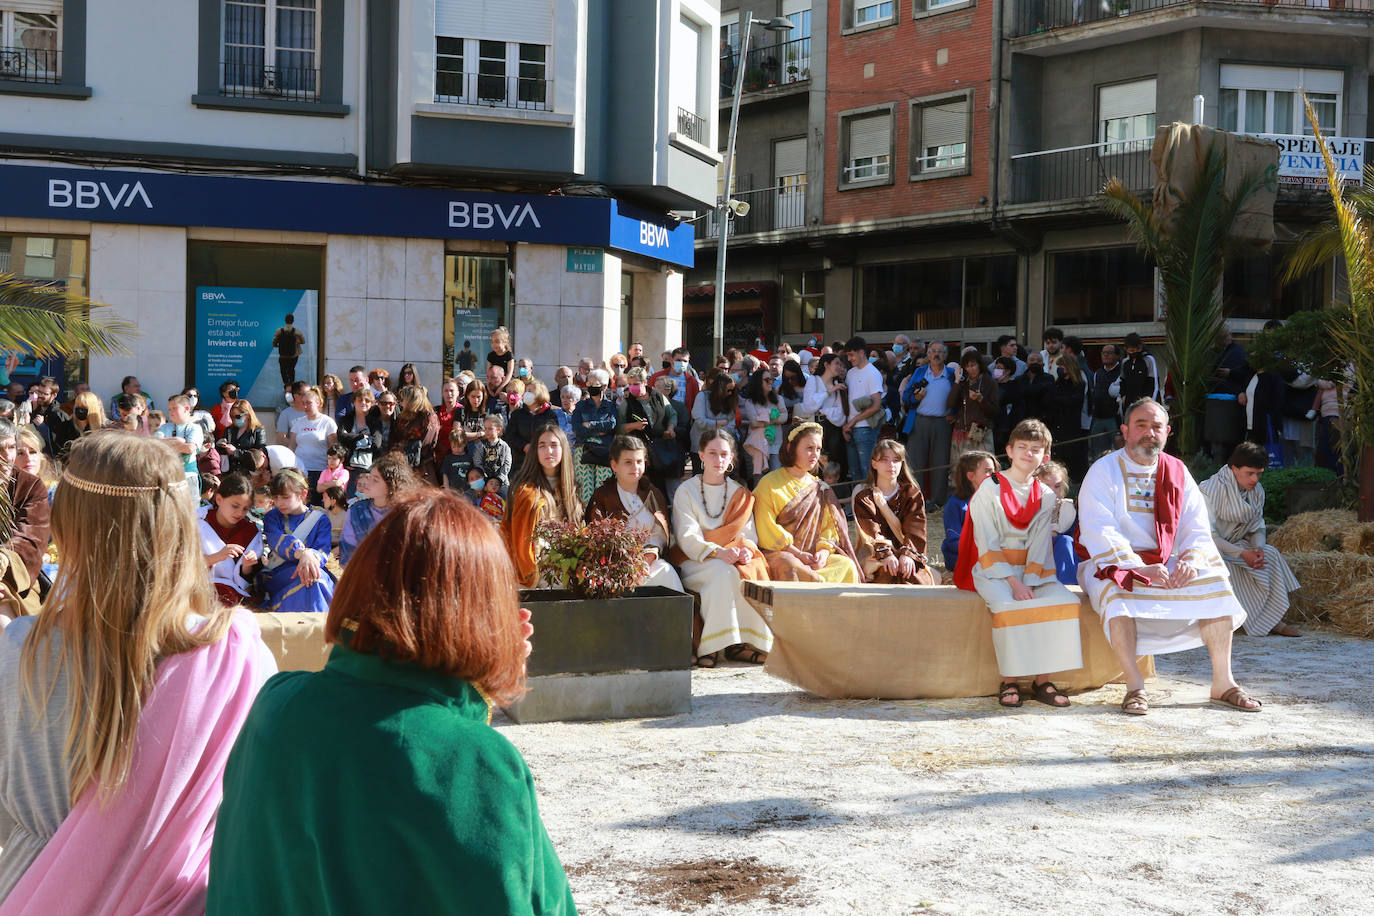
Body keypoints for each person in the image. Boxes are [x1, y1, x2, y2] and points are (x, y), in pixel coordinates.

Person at [206, 489, 574, 915]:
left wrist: (471, 690)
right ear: (479, 615)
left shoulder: (274, 706)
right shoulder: (478, 763)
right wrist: (479, 686)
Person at [0, 432, 275, 912]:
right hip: (178, 898)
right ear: (178, 524)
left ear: (65, 529)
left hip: (38, 892)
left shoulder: (20, 646)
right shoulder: (232, 655)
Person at [1078, 398, 1257, 715]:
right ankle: (1135, 686)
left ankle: (1223, 682)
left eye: (1156, 426)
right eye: (1141, 425)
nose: (1149, 433)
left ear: (1167, 432)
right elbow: (1099, 528)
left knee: (1216, 582)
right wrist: (1136, 566)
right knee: (1116, 596)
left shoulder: (1178, 471)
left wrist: (1190, 560)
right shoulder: (1103, 470)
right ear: (1125, 430)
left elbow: (1196, 524)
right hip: (1112, 561)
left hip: (1168, 560)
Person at [955, 420, 1083, 709]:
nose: (1028, 453)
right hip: (994, 570)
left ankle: (1042, 680)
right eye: (1022, 447)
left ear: (1044, 457)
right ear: (1009, 451)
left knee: (1063, 602)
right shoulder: (990, 488)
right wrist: (1014, 583)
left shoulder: (1046, 495)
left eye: (1035, 449)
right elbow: (985, 540)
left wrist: (1030, 581)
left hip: (1032, 571)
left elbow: (1040, 543)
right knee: (1011, 606)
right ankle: (1010, 680)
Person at [671, 429, 772, 668]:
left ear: (732, 458)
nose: (718, 460)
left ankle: (743, 644)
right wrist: (719, 552)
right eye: (712, 453)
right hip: (694, 559)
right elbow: (687, 537)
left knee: (748, 568)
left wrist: (745, 550)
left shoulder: (740, 493)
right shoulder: (686, 491)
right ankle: (714, 646)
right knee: (723, 572)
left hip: (730, 558)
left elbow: (748, 536)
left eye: (724, 454)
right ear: (701, 456)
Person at [1198, 442, 1302, 638]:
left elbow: (1257, 527)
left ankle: (1273, 619)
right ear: (1234, 468)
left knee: (1270, 554)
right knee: (1222, 564)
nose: (1255, 479)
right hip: (1210, 548)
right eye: (1250, 473)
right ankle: (1265, 623)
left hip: (1238, 545)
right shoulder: (1208, 490)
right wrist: (1242, 553)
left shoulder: (1257, 491)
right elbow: (1206, 534)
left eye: (1259, 473)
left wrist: (1258, 549)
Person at [753, 423, 860, 583]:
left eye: (818, 449)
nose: (815, 454)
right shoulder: (768, 483)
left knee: (846, 565)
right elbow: (764, 527)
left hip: (813, 557)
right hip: (781, 554)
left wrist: (823, 553)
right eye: (809, 448)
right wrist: (797, 553)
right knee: (790, 565)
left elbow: (829, 528)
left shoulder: (820, 487)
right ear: (791, 447)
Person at [587, 436, 683, 591]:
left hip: (650, 563)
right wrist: (625, 563)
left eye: (639, 461)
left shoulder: (653, 493)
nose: (635, 467)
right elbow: (597, 537)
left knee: (667, 573)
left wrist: (649, 555)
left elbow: (660, 534)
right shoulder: (602, 496)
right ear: (614, 465)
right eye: (628, 462)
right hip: (615, 566)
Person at [500, 426, 584, 588]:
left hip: (567, 574)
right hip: (535, 578)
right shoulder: (525, 492)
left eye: (553, 445)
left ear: (563, 449)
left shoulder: (571, 491)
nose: (548, 451)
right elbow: (517, 540)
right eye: (542, 445)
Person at [852, 439, 934, 585]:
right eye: (885, 460)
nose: (891, 465)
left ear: (902, 464)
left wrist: (907, 554)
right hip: (875, 554)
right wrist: (886, 554)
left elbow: (916, 529)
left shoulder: (911, 493)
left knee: (911, 576)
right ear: (874, 464)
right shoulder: (864, 497)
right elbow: (870, 532)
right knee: (886, 573)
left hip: (906, 552)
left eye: (896, 460)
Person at [261, 469, 335, 612]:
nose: (279, 502)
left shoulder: (320, 519)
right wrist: (302, 553)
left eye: (285, 497)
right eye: (275, 497)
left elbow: (323, 550)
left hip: (314, 568)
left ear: (303, 494)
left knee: (315, 578)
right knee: (311, 578)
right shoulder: (272, 517)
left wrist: (309, 557)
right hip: (281, 573)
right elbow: (277, 540)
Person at [0, 420, 50, 617]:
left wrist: (4, 559)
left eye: (11, 447)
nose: (6, 456)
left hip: (14, 576)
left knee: (6, 622)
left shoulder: (30, 486)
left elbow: (30, 534)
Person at [902, 341, 956, 507]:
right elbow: (906, 397)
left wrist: (954, 414)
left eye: (940, 351)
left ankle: (938, 502)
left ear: (945, 355)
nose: (936, 354)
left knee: (940, 463)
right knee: (915, 463)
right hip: (920, 421)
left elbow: (959, 397)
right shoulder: (919, 372)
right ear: (928, 354)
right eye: (933, 351)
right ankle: (916, 501)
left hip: (943, 423)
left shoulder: (952, 374)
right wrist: (915, 398)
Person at [339, 454, 417, 566]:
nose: (367, 482)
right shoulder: (356, 510)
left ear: (391, 485)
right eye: (369, 477)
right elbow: (347, 552)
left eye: (375, 480)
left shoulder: (406, 514)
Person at [199, 473, 263, 607]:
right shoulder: (198, 522)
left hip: (231, 594)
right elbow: (182, 565)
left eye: (245, 509)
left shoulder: (250, 533)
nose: (240, 513)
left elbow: (245, 582)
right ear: (219, 499)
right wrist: (217, 556)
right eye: (235, 506)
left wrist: (247, 566)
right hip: (197, 589)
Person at [616, 366, 679, 494]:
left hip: (660, 449)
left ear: (645, 382)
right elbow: (618, 428)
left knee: (661, 489)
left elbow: (672, 414)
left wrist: (670, 429)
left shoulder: (659, 398)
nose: (632, 387)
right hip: (638, 450)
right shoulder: (626, 404)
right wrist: (634, 426)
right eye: (630, 384)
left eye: (636, 384)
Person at [941, 450, 997, 572]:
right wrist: (982, 550)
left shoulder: (996, 500)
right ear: (971, 476)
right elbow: (953, 540)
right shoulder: (955, 504)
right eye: (987, 471)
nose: (993, 475)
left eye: (994, 471)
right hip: (963, 558)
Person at [948, 350, 999, 480]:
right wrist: (957, 381)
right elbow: (950, 403)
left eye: (973, 365)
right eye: (968, 366)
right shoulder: (962, 383)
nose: (971, 369)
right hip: (961, 430)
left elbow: (994, 411)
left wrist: (981, 399)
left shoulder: (989, 383)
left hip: (980, 431)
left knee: (983, 469)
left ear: (979, 365)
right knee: (959, 471)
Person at [801, 353, 850, 485]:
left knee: (835, 463)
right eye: (837, 363)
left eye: (841, 364)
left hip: (834, 428)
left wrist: (824, 410)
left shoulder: (839, 384)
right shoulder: (814, 380)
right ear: (826, 364)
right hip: (816, 427)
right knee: (817, 463)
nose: (839, 367)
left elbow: (840, 413)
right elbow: (809, 406)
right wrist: (829, 391)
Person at [571, 369, 617, 503]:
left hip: (604, 449)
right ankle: (586, 520)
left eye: (594, 383)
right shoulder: (580, 406)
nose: (590, 386)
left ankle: (601, 521)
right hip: (583, 448)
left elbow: (611, 425)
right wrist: (599, 429)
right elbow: (577, 428)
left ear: (604, 386)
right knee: (584, 490)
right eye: (588, 383)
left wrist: (590, 425)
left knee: (604, 487)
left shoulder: (611, 406)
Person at [841, 337, 885, 480]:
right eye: (847, 355)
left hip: (865, 428)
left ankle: (870, 502)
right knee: (854, 472)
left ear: (861, 353)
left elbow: (876, 405)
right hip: (851, 427)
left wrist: (852, 422)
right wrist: (847, 425)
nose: (849, 358)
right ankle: (857, 501)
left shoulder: (873, 373)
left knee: (867, 472)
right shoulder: (851, 372)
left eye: (851, 355)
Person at [1033, 460, 1081, 588]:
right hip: (1037, 549)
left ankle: (1067, 585)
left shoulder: (1067, 509)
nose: (1053, 491)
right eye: (1047, 486)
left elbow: (1074, 536)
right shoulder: (1030, 508)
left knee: (1066, 541)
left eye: (1057, 486)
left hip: (1062, 553)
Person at [287, 387, 339, 500]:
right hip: (300, 470)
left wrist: (332, 469)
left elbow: (333, 448)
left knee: (317, 504)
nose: (305, 407)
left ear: (318, 403)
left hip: (320, 470)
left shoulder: (328, 422)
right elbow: (291, 447)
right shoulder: (298, 423)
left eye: (308, 403)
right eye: (303, 403)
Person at [740, 366, 785, 480]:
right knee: (758, 480)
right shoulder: (750, 402)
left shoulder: (778, 399)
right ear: (757, 382)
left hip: (776, 445)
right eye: (767, 380)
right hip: (757, 446)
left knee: (776, 478)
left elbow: (784, 417)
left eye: (772, 379)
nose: (770, 382)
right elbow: (754, 422)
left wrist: (764, 418)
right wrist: (774, 419)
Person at [155, 394, 205, 493]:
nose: (171, 412)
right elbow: (155, 444)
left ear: (186, 409)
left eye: (174, 408)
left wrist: (166, 444)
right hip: (167, 477)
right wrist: (179, 441)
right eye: (169, 409)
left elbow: (190, 448)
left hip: (188, 476)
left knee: (190, 507)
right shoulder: (165, 427)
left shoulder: (194, 428)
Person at [390, 384, 440, 484]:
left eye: (403, 399)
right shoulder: (404, 416)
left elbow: (427, 442)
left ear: (411, 400)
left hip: (423, 466)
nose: (401, 402)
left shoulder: (428, 417)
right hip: (402, 463)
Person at [506, 379, 561, 460]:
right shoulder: (517, 414)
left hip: (543, 458)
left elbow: (553, 435)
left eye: (530, 391)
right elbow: (510, 436)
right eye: (526, 390)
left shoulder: (550, 415)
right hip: (521, 460)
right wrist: (524, 446)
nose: (526, 393)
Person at [336, 386, 376, 496]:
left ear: (371, 403)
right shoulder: (346, 419)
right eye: (360, 400)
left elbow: (377, 443)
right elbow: (341, 437)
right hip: (348, 467)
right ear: (354, 402)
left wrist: (351, 438)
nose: (363, 402)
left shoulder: (375, 421)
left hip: (369, 468)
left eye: (367, 400)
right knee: (348, 498)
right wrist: (362, 437)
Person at [1087, 344, 1123, 458]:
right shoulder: (1098, 372)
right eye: (1103, 353)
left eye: (1109, 353)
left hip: (1114, 418)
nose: (1106, 355)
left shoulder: (1122, 371)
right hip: (1098, 417)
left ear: (1117, 356)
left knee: (1117, 452)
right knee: (1098, 453)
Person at [217, 398, 268, 475]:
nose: (234, 419)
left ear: (247, 415)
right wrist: (222, 446)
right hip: (231, 471)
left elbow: (259, 455)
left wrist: (236, 452)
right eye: (232, 417)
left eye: (237, 417)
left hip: (249, 472)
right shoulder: (229, 430)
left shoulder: (257, 431)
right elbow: (221, 452)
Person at [991, 355, 1025, 455]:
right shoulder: (992, 385)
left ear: (1008, 371)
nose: (996, 370)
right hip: (994, 426)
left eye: (1000, 368)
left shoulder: (1015, 386)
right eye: (996, 368)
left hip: (1008, 427)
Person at [474, 414, 514, 495]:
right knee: (476, 495)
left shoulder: (504, 446)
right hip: (484, 481)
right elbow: (477, 463)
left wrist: (498, 480)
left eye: (490, 429)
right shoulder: (480, 446)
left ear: (498, 430)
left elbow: (507, 464)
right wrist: (487, 481)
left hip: (501, 482)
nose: (487, 431)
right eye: (485, 429)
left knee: (507, 496)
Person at [434, 377, 462, 466]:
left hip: (457, 455)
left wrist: (442, 428)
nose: (449, 394)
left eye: (452, 390)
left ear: (457, 393)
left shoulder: (463, 410)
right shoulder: (436, 411)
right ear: (442, 393)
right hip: (439, 456)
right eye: (446, 391)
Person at [272, 313, 306, 386]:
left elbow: (274, 343)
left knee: (283, 371)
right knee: (291, 369)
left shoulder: (279, 331)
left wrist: (279, 345)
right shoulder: (297, 331)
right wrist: (296, 342)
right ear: (293, 321)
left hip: (283, 355)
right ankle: (292, 384)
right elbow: (303, 342)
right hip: (293, 355)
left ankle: (286, 384)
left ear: (285, 321)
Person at [440, 426, 475, 491]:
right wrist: (446, 487)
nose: (456, 449)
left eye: (459, 446)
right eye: (453, 447)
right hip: (453, 489)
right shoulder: (448, 458)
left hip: (467, 489)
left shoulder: (469, 458)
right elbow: (445, 474)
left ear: (464, 444)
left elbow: (473, 473)